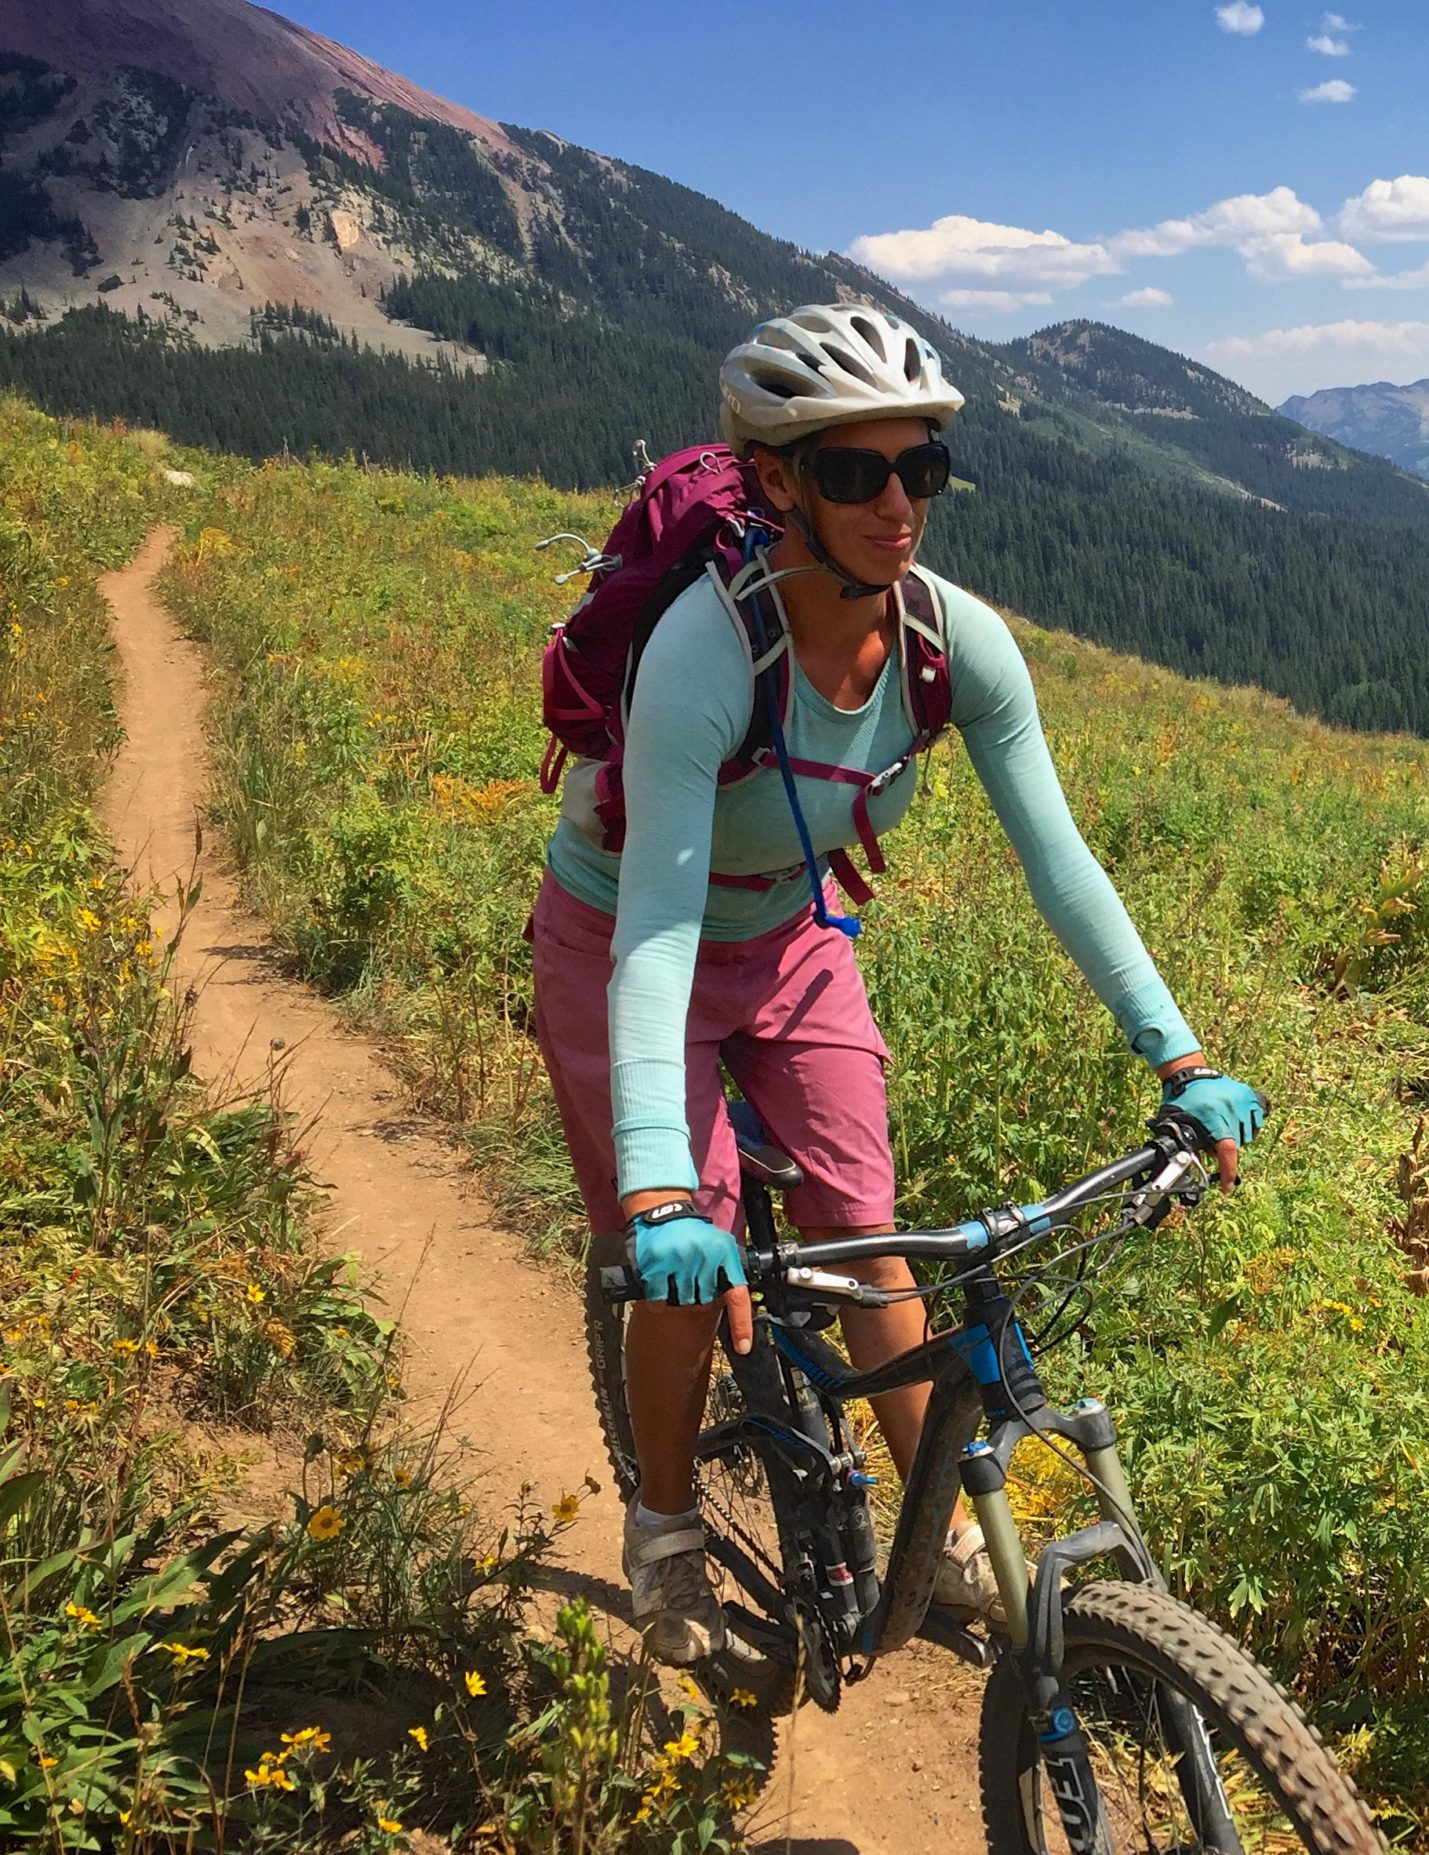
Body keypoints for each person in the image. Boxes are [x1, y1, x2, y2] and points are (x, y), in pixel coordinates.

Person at [527, 302, 1265, 1664]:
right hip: (631, 940)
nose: (897, 503)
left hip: (791, 939)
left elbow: (1062, 861)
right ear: (777, 481)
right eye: (857, 472)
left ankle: (951, 1557)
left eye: (919, 469)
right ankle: (669, 1526)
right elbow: (654, 930)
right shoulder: (706, 650)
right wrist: (654, 1185)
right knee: (687, 1272)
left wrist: (1182, 1057)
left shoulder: (951, 640)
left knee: (873, 1239)